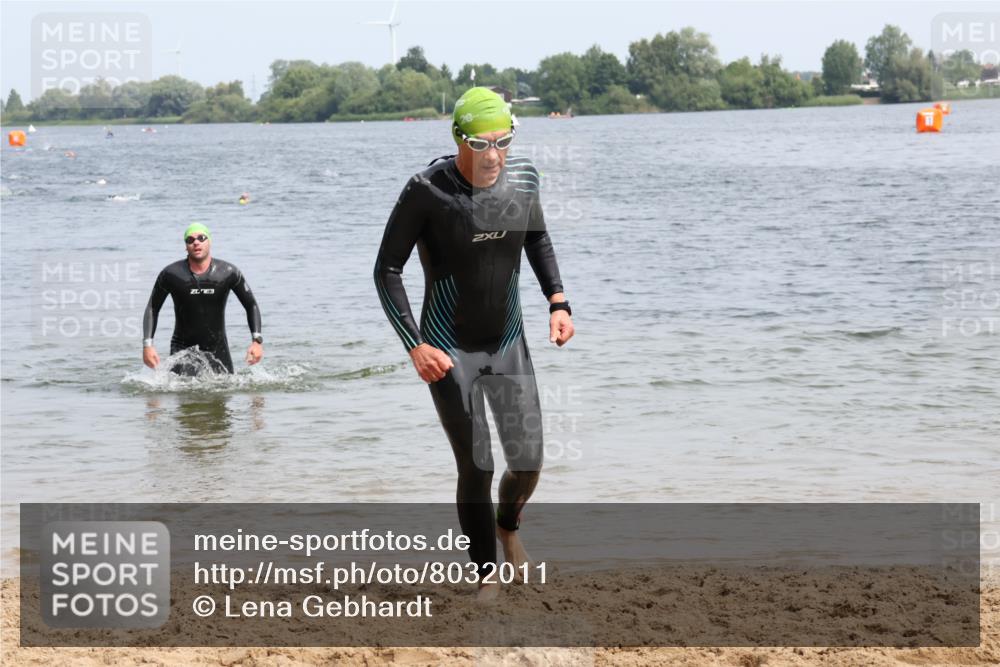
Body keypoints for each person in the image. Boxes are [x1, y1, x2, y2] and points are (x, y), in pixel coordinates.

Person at [374, 87, 574, 599]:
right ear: (458, 138)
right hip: (447, 349)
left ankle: (508, 529)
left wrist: (557, 300)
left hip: (507, 341)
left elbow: (537, 238)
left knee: (528, 462)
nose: (494, 155)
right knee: (477, 463)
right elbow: (386, 269)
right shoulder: (426, 191)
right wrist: (414, 345)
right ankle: (487, 576)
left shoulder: (523, 179)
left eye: (503, 142)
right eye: (482, 144)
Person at [142, 223, 263, 374]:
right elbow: (153, 308)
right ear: (186, 246)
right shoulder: (171, 274)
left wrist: (256, 341)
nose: (196, 242)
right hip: (182, 352)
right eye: (190, 240)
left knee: (224, 393)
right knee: (181, 393)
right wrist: (148, 345)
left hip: (218, 352)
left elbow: (251, 304)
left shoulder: (228, 272)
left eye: (201, 238)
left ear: (210, 241)